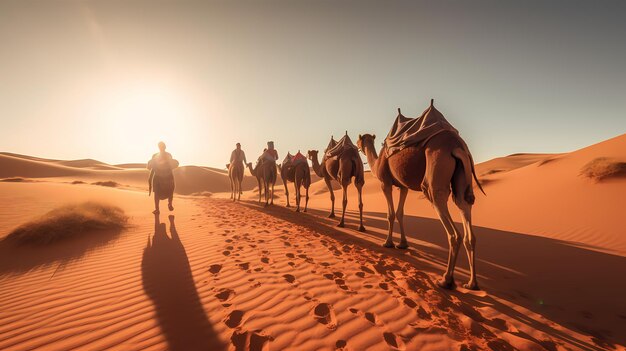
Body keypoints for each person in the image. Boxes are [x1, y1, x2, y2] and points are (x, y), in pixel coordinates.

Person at [148, 141, 179, 214]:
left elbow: (171, 165)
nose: (161, 147)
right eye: (160, 146)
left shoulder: (168, 155)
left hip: (167, 176)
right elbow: (153, 167)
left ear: (164, 147)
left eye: (162, 146)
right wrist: (150, 178)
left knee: (170, 191)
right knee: (157, 193)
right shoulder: (155, 156)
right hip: (159, 177)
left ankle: (169, 204)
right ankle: (158, 209)